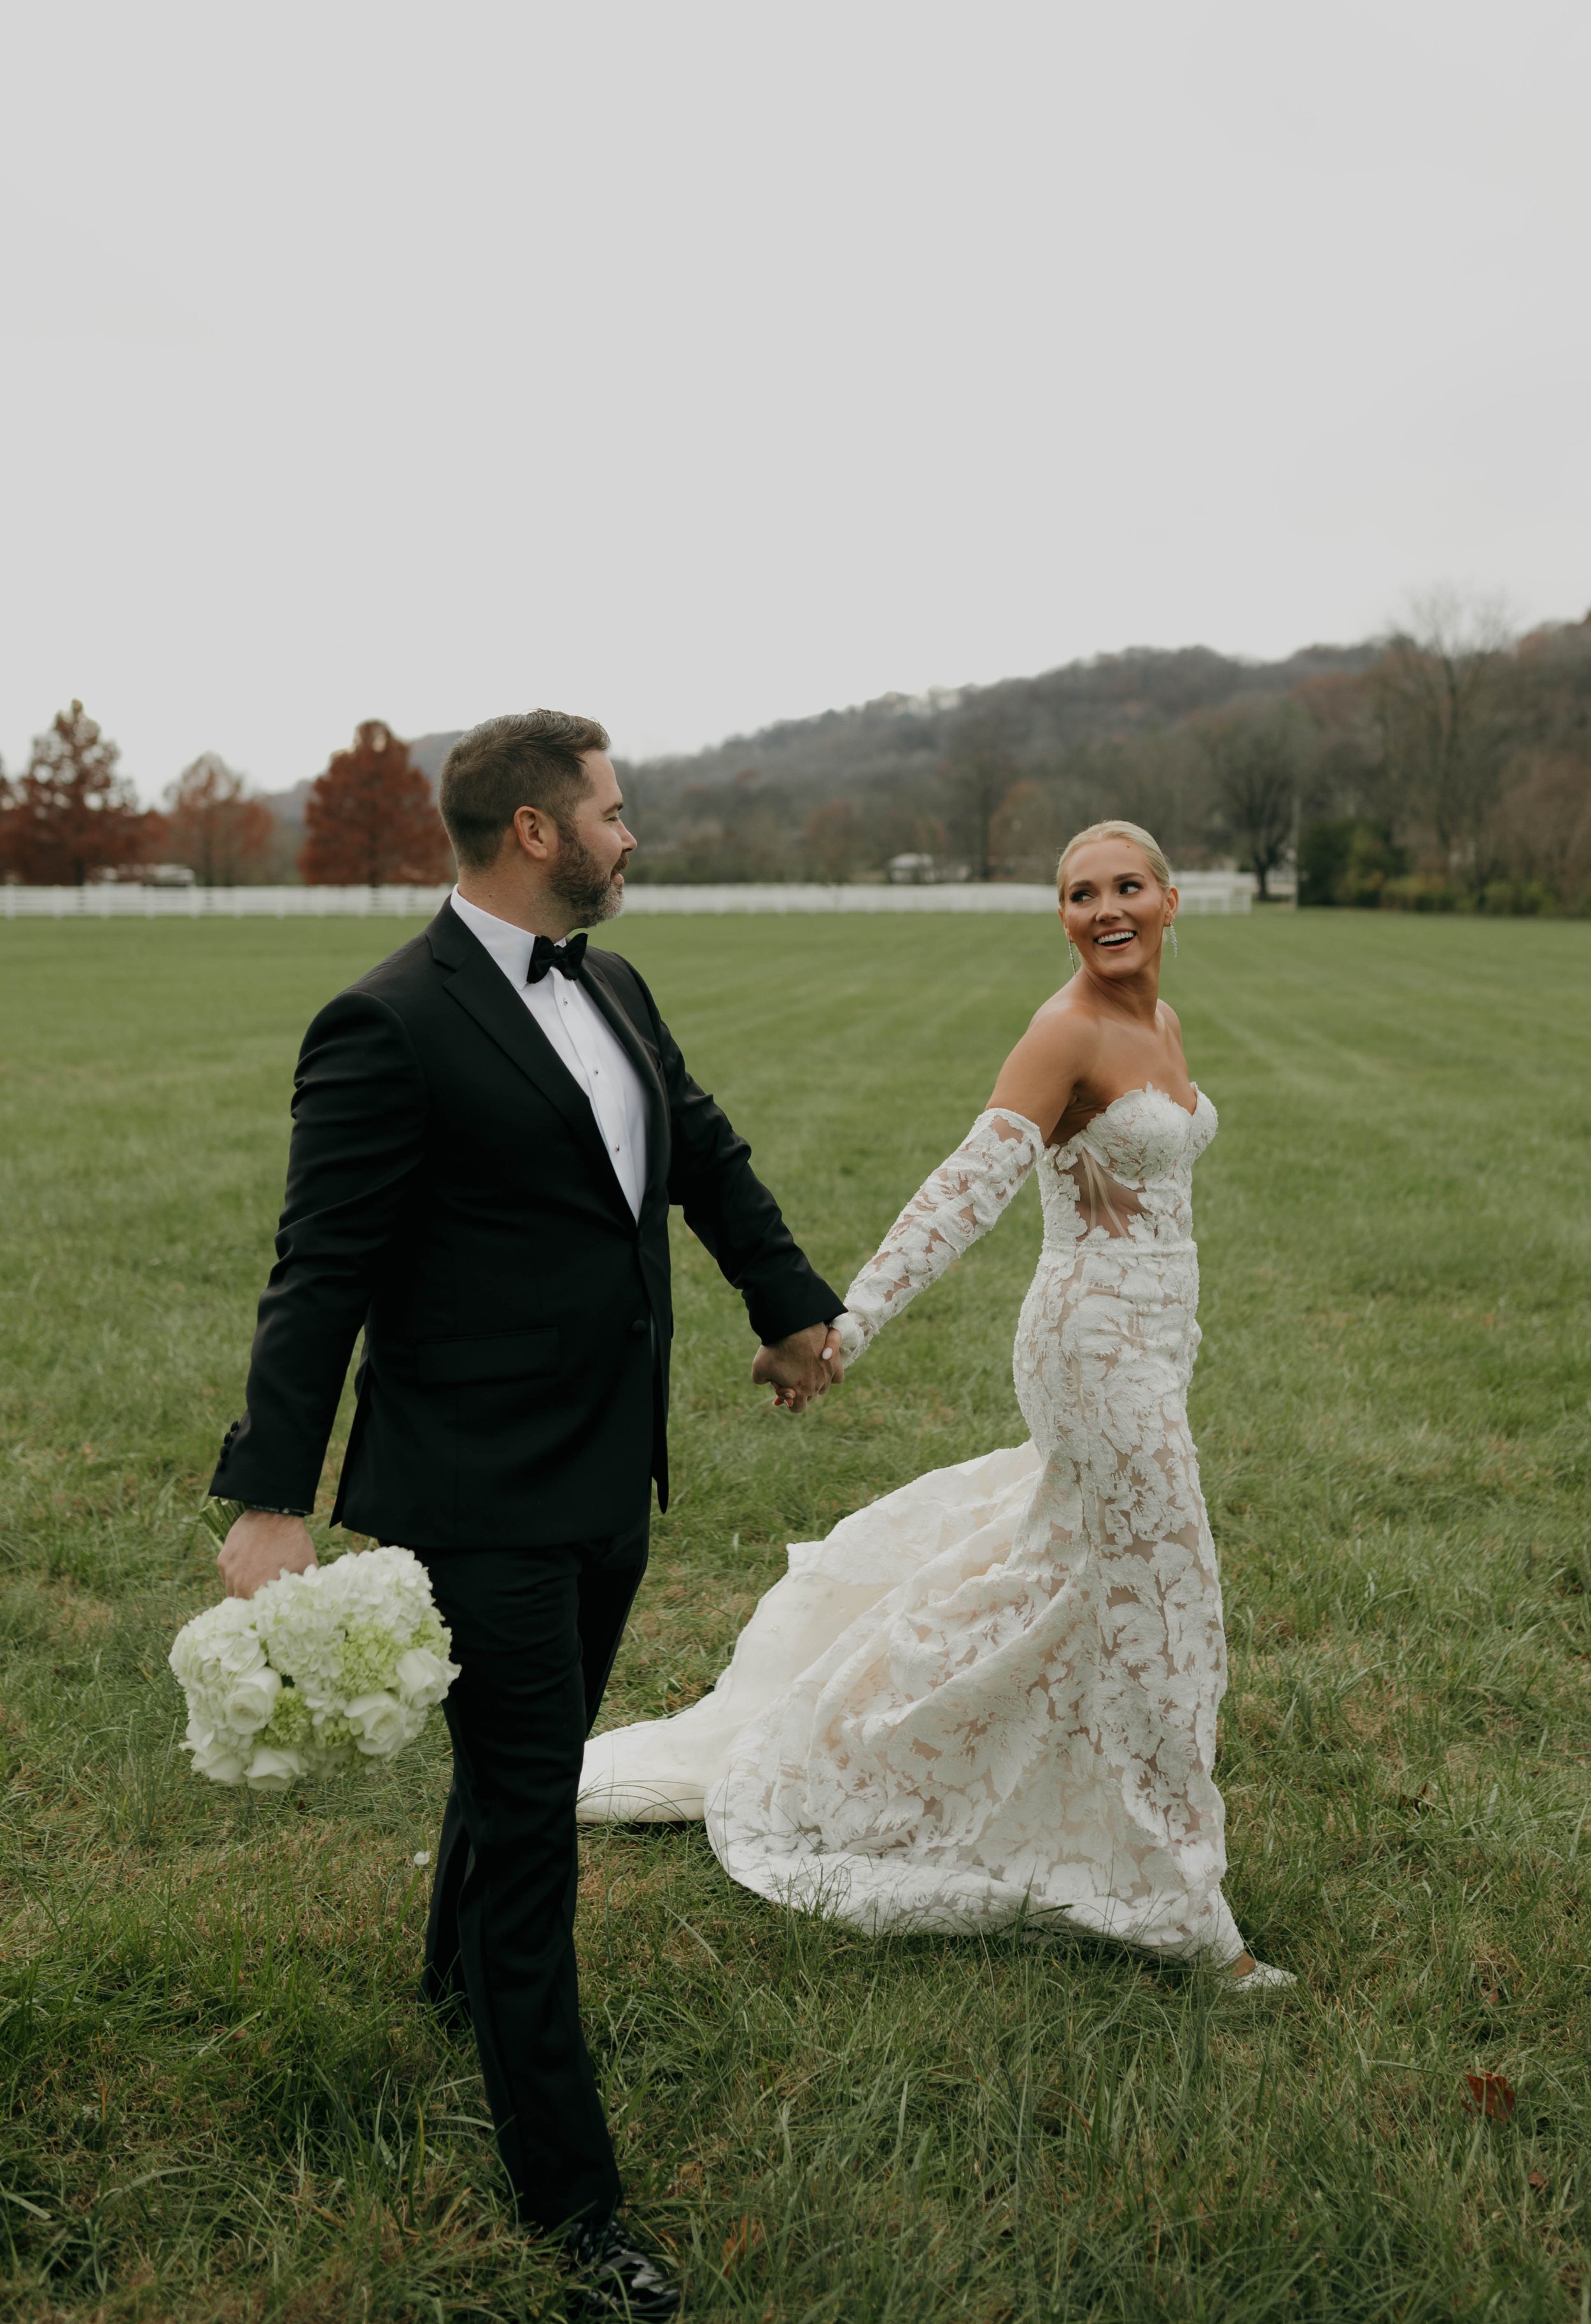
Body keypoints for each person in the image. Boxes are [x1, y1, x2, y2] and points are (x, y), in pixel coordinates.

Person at [209, 710, 846, 2320]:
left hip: (608, 1470)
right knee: (528, 1830)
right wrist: (271, 1497)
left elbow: (700, 1151)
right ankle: (576, 2208)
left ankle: (452, 1985)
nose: (633, 834)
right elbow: (319, 1271)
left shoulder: (613, 984)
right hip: (473, 1490)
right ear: (538, 831)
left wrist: (787, 1303)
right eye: (613, 812)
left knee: (521, 1774)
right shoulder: (386, 1023)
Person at [579, 819, 1293, 1992]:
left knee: (1090, 1589)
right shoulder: (1064, 1031)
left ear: (1171, 902)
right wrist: (845, 1327)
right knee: (1170, 1607)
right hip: (1092, 1353)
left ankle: (951, 1764)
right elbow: (965, 1191)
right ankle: (1187, 1915)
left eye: (1127, 887)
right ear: (1061, 915)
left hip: (1157, 1346)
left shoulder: (1161, 1024)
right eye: (1080, 894)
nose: (1105, 909)